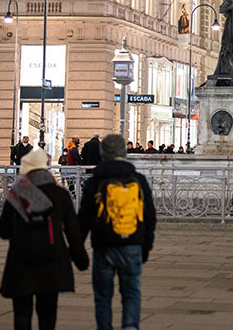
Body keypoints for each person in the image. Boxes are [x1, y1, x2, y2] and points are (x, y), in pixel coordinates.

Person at [0, 148, 89, 330]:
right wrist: (80, 259)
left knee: (22, 313)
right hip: (52, 260)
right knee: (48, 312)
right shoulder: (60, 194)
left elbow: (3, 231)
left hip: (21, 260)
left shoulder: (17, 192)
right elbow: (73, 231)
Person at [79, 134, 156, 330]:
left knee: (103, 296)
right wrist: (145, 247)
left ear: (103, 153)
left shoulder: (94, 182)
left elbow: (84, 219)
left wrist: (76, 248)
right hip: (132, 244)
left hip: (104, 246)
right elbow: (149, 217)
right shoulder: (138, 180)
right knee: (131, 292)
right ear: (124, 152)